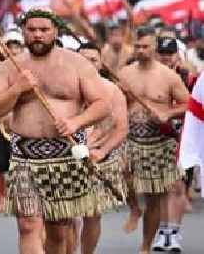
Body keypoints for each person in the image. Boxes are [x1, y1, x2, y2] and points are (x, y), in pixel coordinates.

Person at [0, 8, 110, 254]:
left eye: (44, 30)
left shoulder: (77, 64)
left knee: (59, 229)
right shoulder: (10, 67)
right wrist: (16, 89)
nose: (38, 35)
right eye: (32, 30)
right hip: (25, 157)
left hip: (64, 155)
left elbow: (102, 104)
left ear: (56, 31)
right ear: (23, 32)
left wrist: (77, 122)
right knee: (28, 225)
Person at [117, 27, 189, 254]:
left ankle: (146, 246)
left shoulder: (169, 76)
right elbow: (114, 105)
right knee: (121, 173)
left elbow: (190, 105)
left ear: (155, 47)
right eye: (137, 46)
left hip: (159, 142)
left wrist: (168, 114)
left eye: (145, 46)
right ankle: (133, 209)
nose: (140, 50)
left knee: (154, 198)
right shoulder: (125, 73)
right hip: (131, 139)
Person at [77, 42, 129, 254]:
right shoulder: (63, 87)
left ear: (101, 63)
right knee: (64, 217)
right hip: (66, 156)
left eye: (93, 60)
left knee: (92, 214)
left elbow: (121, 128)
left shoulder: (112, 91)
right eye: (83, 59)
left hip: (98, 158)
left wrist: (102, 151)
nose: (88, 64)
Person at [150, 36, 195, 252]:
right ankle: (163, 231)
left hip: (180, 137)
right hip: (154, 138)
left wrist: (169, 112)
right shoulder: (148, 75)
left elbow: (195, 106)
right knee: (161, 188)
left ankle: (172, 234)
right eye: (162, 53)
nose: (166, 58)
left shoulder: (188, 76)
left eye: (169, 53)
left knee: (176, 187)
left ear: (177, 54)